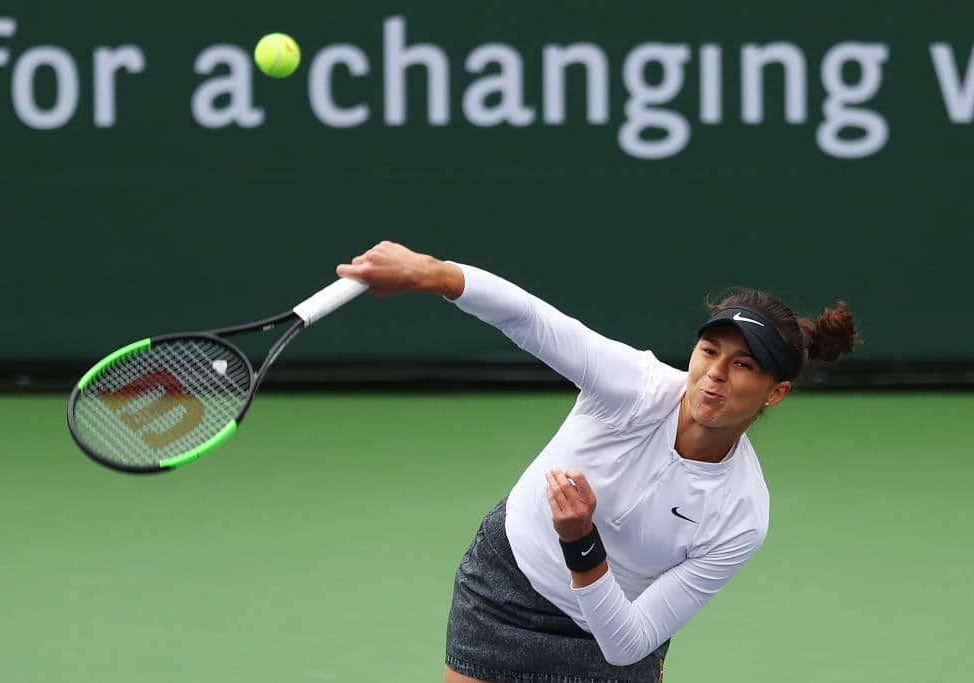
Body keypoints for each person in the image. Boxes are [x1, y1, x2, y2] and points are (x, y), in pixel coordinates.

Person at [336, 241, 860, 683]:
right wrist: (431, 273)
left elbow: (626, 643)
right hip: (507, 588)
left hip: (612, 633)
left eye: (742, 364)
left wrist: (581, 542)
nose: (714, 374)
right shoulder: (633, 385)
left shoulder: (741, 515)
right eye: (708, 351)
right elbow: (531, 319)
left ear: (776, 392)